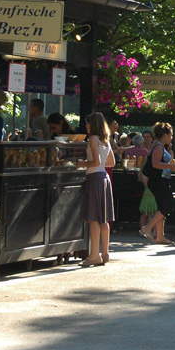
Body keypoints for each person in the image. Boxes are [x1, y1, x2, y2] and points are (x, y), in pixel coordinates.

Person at [77, 112, 116, 267]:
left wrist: (81, 163)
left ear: (93, 124)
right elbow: (111, 162)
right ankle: (105, 253)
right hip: (104, 178)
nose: (86, 126)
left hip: (94, 179)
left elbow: (95, 162)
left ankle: (94, 255)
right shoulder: (105, 141)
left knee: (93, 217)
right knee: (103, 218)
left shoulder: (93, 139)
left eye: (87, 123)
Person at [140, 122, 175, 245]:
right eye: (170, 135)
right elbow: (155, 164)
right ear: (165, 135)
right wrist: (172, 166)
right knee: (168, 206)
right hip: (159, 181)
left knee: (161, 207)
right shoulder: (158, 147)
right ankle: (148, 228)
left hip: (158, 181)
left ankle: (160, 236)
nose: (171, 137)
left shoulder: (159, 146)